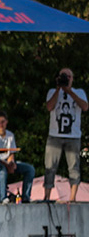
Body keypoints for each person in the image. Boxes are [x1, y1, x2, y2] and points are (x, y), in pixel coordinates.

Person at [44, 67, 87, 203]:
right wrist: (59, 89)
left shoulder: (79, 92)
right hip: (55, 135)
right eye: (63, 76)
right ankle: (47, 196)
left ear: (72, 79)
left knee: (73, 166)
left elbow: (85, 107)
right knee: (50, 166)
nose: (66, 78)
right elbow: (49, 107)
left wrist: (69, 91)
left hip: (73, 135)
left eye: (68, 76)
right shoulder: (52, 91)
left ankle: (72, 197)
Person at [0, 111, 35, 203]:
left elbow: (11, 153)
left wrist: (11, 163)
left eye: (3, 122)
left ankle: (26, 196)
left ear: (7, 122)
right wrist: (7, 165)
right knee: (2, 170)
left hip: (5, 163)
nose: (1, 124)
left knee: (29, 169)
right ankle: (2, 197)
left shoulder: (10, 135)